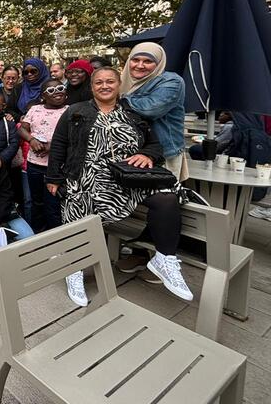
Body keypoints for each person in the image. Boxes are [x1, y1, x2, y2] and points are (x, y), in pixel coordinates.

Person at [46, 67, 193, 307]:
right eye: (99, 82)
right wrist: (53, 178)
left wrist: (147, 154)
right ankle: (74, 268)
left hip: (127, 179)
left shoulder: (133, 112)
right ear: (92, 87)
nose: (104, 86)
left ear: (118, 84)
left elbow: (155, 145)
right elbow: (60, 144)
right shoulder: (76, 111)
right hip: (86, 177)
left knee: (166, 196)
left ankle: (164, 259)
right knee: (79, 211)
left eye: (110, 82)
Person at [120, 43, 187, 181]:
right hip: (132, 153)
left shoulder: (172, 81)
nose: (139, 65)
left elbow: (150, 109)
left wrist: (121, 100)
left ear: (158, 63)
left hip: (163, 153)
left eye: (148, 61)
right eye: (135, 60)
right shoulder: (123, 80)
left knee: (162, 196)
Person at [18, 79, 68, 231]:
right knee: (36, 203)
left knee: (53, 205)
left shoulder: (70, 110)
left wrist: (53, 147)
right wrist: (31, 140)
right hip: (34, 165)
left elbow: (73, 136)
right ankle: (37, 237)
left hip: (57, 167)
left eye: (60, 88)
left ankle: (56, 240)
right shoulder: (35, 110)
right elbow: (22, 128)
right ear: (43, 96)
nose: (57, 92)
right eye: (51, 90)